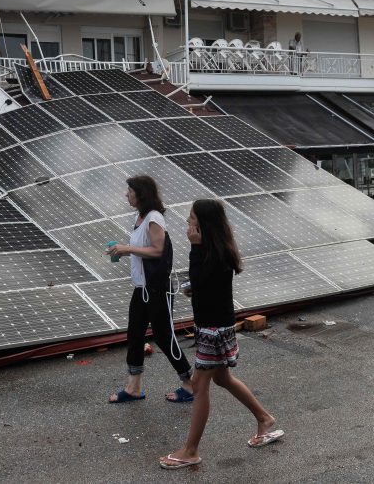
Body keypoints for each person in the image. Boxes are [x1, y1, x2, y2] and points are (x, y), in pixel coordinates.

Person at [159, 199, 284, 470]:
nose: (188, 223)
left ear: (203, 223)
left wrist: (193, 249)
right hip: (215, 324)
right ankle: (264, 418)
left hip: (213, 329)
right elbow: (206, 283)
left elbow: (204, 277)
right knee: (222, 379)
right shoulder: (215, 249)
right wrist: (195, 285)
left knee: (200, 385)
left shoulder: (213, 252)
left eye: (191, 219)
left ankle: (191, 450)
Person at [106, 175, 194, 404]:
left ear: (141, 193)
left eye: (130, 191)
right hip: (142, 287)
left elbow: (157, 250)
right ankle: (134, 387)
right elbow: (144, 249)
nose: (127, 194)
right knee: (134, 334)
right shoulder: (139, 217)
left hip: (157, 288)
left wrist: (128, 248)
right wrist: (126, 250)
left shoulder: (154, 218)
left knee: (164, 337)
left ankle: (189, 382)